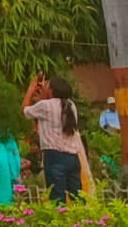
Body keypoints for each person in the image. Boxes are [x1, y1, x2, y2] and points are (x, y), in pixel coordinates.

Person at [23, 75, 84, 203]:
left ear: (51, 91)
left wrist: (30, 89)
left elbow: (25, 110)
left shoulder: (45, 106)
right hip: (73, 158)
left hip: (54, 157)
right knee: (77, 197)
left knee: (57, 198)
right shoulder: (71, 105)